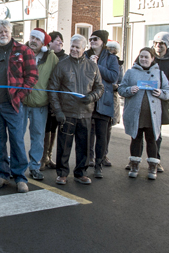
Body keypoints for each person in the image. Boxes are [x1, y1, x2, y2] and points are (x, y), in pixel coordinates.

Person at [0, 20, 38, 193]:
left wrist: (19, 95)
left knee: (17, 141)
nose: (2, 34)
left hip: (12, 105)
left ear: (11, 32)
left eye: (5, 31)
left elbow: (32, 76)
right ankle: (3, 174)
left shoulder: (23, 50)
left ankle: (20, 177)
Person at [48, 34, 103, 185]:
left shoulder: (92, 66)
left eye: (77, 47)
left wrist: (91, 97)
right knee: (64, 145)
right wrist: (57, 111)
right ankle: (62, 173)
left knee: (84, 146)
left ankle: (80, 173)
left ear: (84, 49)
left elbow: (100, 88)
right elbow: (52, 89)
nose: (74, 49)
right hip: (67, 113)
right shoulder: (62, 65)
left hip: (85, 112)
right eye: (72, 46)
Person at [118, 47, 169, 180]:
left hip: (152, 116)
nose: (143, 59)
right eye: (141, 56)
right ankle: (134, 165)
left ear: (152, 58)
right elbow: (121, 89)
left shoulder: (159, 73)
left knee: (152, 140)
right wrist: (130, 90)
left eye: (146, 57)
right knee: (135, 139)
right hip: (135, 114)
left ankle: (153, 166)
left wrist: (161, 93)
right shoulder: (130, 72)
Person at [22, 28, 59, 181]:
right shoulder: (21, 52)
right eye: (32, 37)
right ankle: (17, 166)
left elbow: (57, 78)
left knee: (37, 137)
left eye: (37, 39)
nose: (33, 41)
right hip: (22, 102)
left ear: (43, 42)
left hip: (40, 104)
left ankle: (35, 166)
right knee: (17, 136)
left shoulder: (51, 58)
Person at [85, 30, 119, 178]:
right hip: (87, 101)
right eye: (90, 39)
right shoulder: (85, 55)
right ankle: (87, 161)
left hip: (104, 101)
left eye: (95, 39)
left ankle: (99, 164)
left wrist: (97, 65)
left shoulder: (111, 58)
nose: (92, 41)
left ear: (103, 41)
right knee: (86, 135)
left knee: (101, 135)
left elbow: (113, 76)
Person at [40, 31, 67, 171]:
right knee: (45, 128)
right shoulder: (45, 56)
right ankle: (42, 157)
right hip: (45, 98)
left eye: (61, 40)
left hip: (58, 100)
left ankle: (48, 156)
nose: (60, 43)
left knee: (53, 128)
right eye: (57, 40)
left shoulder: (65, 58)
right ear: (49, 43)